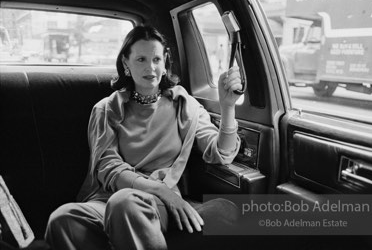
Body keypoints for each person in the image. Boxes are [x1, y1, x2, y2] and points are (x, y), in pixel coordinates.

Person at [45, 25, 242, 250]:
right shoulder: (106, 109)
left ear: (165, 61)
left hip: (155, 204)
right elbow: (108, 167)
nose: (151, 67)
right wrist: (162, 191)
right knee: (63, 219)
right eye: (141, 59)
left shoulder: (185, 106)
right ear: (126, 64)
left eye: (157, 59)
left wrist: (228, 108)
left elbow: (221, 154)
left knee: (125, 203)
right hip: (111, 198)